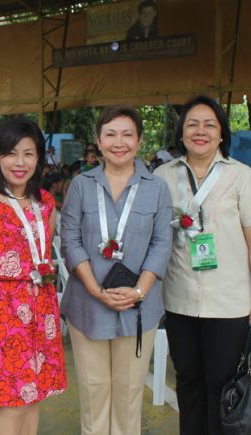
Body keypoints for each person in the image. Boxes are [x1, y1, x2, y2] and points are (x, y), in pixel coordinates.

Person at [154, 95, 251, 434]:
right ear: (181, 133)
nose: (200, 131)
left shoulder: (242, 177)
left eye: (209, 124)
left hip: (229, 303)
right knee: (188, 382)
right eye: (192, 124)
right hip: (178, 301)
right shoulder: (162, 176)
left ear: (222, 133)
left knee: (223, 385)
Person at [60, 106, 172, 434]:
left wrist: (139, 290)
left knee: (128, 393)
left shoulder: (156, 188)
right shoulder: (81, 185)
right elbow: (69, 238)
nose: (118, 142)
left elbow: (162, 243)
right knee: (94, 393)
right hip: (87, 305)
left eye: (127, 134)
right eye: (110, 134)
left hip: (139, 307)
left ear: (138, 141)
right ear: (98, 140)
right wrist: (96, 290)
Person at [0, 117, 67, 435]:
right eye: (11, 153)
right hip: (0, 308)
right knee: (10, 400)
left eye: (29, 153)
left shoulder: (45, 202)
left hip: (40, 306)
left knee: (34, 396)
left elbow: (42, 254)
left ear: (39, 158)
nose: (20, 162)